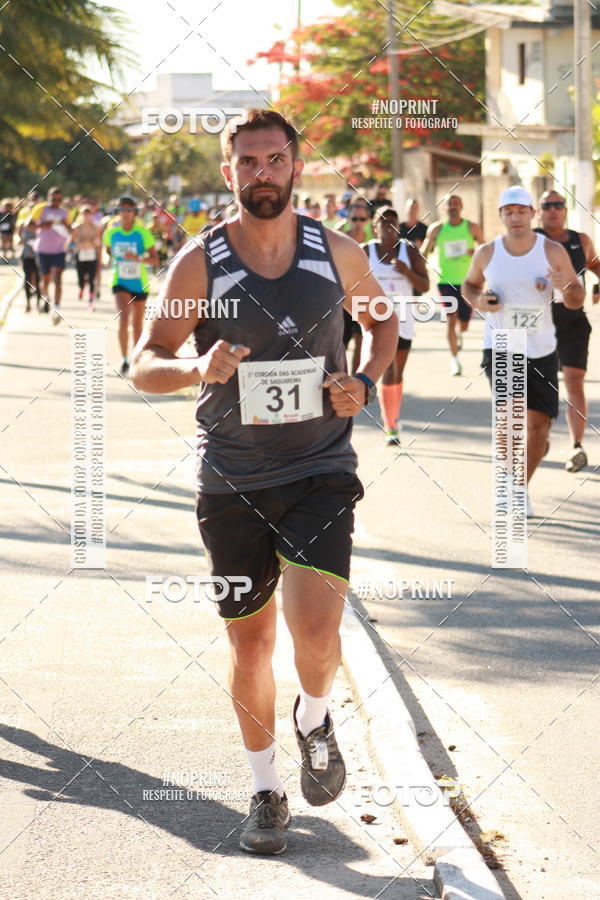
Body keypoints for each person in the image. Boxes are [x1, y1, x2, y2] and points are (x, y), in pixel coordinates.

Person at [131, 108, 397, 855]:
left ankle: (314, 717)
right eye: (247, 162)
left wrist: (366, 382)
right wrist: (193, 368)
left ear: (295, 166)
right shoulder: (200, 263)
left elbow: (382, 323)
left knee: (316, 635)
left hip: (320, 467)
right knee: (250, 649)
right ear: (229, 173)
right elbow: (145, 361)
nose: (262, 173)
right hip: (233, 479)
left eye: (274, 160)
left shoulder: (334, 251)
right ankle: (266, 789)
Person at [462, 186, 584, 516]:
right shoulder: (487, 252)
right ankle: (506, 484)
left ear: (532, 214)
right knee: (511, 417)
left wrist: (565, 287)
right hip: (501, 344)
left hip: (541, 348)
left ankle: (519, 486)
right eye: (508, 212)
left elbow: (577, 299)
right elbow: (469, 286)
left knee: (539, 428)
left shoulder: (552, 251)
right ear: (500, 216)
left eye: (521, 211)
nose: (515, 217)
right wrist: (479, 301)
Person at [534, 190, 600, 472]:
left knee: (574, 382)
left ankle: (576, 446)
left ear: (565, 210)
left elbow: (595, 263)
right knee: (542, 386)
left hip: (573, 321)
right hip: (537, 323)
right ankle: (541, 435)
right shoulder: (530, 240)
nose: (553, 210)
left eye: (558, 205)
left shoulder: (579, 241)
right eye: (547, 205)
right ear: (539, 211)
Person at [366, 206, 429, 444]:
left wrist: (406, 272)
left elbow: (424, 286)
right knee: (387, 369)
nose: (387, 225)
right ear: (375, 226)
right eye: (382, 221)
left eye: (392, 221)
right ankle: (390, 425)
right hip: (376, 321)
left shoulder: (409, 252)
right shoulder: (366, 251)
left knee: (397, 371)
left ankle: (393, 420)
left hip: (403, 320)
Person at [422, 195, 483, 375]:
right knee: (451, 318)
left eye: (456, 204)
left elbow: (485, 248)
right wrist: (426, 256)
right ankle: (455, 361)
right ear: (444, 208)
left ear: (461, 206)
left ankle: (461, 334)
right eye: (450, 204)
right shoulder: (437, 229)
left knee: (464, 322)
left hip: (469, 281)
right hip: (445, 281)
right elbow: (424, 251)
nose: (453, 207)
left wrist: (475, 252)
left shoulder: (471, 228)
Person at [103, 197, 158, 375]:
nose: (126, 213)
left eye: (129, 209)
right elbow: (106, 252)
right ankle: (125, 360)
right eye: (122, 209)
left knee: (137, 324)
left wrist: (138, 259)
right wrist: (107, 261)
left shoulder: (142, 233)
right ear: (118, 212)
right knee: (124, 317)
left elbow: (155, 259)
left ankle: (136, 357)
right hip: (120, 281)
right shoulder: (111, 233)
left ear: (134, 213)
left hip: (139, 282)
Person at [31, 187, 71, 325]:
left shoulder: (65, 212)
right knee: (45, 280)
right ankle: (46, 297)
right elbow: (28, 226)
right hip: (43, 250)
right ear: (49, 198)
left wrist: (67, 225)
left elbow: (71, 231)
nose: (56, 202)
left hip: (59, 250)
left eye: (59, 200)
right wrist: (44, 224)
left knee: (58, 277)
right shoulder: (41, 210)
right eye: (54, 199)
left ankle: (57, 309)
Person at [340, 203, 372, 373]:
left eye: (362, 219)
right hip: (343, 299)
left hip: (364, 298)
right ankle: (339, 377)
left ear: (368, 220)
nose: (358, 223)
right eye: (354, 219)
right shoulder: (340, 239)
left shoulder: (372, 240)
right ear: (348, 220)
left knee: (361, 341)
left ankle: (355, 379)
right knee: (341, 343)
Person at [72, 207, 102, 309]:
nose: (86, 216)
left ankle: (91, 301)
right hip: (80, 255)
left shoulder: (96, 228)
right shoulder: (77, 227)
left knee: (92, 278)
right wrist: (80, 244)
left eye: (88, 214)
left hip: (92, 255)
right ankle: (81, 288)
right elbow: (73, 241)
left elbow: (98, 243)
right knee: (81, 277)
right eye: (84, 214)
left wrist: (99, 257)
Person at [18, 219, 42, 312]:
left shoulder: (40, 229)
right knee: (27, 280)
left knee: (38, 280)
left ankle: (38, 304)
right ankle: (28, 304)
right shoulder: (23, 227)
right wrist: (19, 240)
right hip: (27, 257)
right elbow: (18, 237)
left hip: (38, 258)